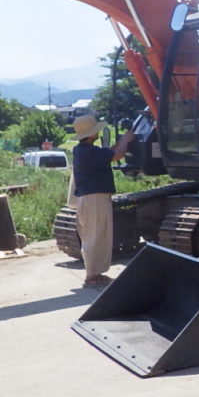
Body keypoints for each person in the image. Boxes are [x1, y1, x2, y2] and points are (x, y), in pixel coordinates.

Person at [71, 115, 135, 289]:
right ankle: (92, 276)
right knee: (95, 237)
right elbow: (118, 154)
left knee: (94, 236)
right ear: (91, 134)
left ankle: (95, 273)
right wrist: (126, 140)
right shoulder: (90, 152)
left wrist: (121, 141)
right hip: (95, 198)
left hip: (89, 198)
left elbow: (110, 153)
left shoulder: (83, 150)